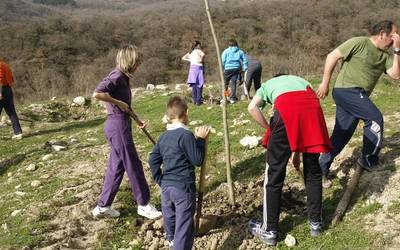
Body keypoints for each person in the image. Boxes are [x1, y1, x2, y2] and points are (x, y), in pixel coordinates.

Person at [247, 75, 332, 246]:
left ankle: (269, 230)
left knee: (274, 174)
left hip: (286, 112)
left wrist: (269, 128)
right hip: (312, 110)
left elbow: (252, 107)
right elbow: (301, 118)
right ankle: (316, 223)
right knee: (313, 170)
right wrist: (297, 153)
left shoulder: (267, 84)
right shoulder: (301, 80)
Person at [316, 20, 400, 188]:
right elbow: (332, 56)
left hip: (356, 96)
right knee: (375, 118)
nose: (394, 39)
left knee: (342, 134)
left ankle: (320, 168)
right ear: (382, 34)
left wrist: (397, 50)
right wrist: (325, 82)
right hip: (346, 90)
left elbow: (395, 75)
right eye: (393, 36)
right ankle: (369, 159)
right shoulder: (358, 42)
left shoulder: (386, 56)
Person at [91, 44, 162, 220]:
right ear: (129, 61)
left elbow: (125, 106)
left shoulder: (123, 77)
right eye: (137, 62)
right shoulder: (117, 76)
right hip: (117, 126)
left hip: (120, 123)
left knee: (117, 167)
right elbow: (97, 93)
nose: (138, 66)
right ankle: (144, 204)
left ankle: (103, 206)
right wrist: (119, 103)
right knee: (134, 164)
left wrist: (138, 120)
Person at [148, 96, 210, 250]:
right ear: (186, 113)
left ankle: (171, 240)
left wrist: (160, 180)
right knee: (184, 226)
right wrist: (201, 140)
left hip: (167, 188)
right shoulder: (186, 135)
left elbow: (153, 159)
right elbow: (197, 160)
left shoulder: (163, 137)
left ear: (169, 116)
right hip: (183, 188)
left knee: (170, 217)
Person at [0, 58, 23, 140]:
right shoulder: (5, 64)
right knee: (11, 112)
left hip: (1, 90)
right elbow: (11, 78)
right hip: (8, 90)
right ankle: (18, 133)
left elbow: (0, 78)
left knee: (11, 112)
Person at [221, 39, 248, 103]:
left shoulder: (226, 51)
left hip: (227, 69)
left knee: (225, 83)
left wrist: (225, 66)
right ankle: (232, 98)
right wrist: (245, 68)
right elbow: (245, 60)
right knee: (233, 83)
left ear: (229, 44)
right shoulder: (240, 51)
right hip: (236, 69)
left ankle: (225, 97)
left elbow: (223, 60)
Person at [182, 40, 206, 105]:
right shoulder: (198, 50)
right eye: (199, 44)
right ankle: (199, 101)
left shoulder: (191, 52)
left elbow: (183, 58)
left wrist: (190, 60)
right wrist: (201, 60)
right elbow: (203, 55)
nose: (200, 46)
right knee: (199, 84)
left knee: (194, 85)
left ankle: (194, 101)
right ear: (198, 45)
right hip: (198, 67)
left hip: (192, 68)